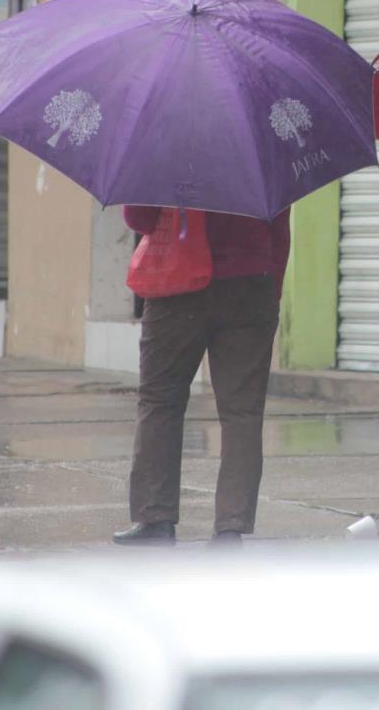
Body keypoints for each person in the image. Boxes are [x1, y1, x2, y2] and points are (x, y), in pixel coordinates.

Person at [112, 207, 290, 545]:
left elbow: (140, 219)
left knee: (160, 402)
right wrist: (270, 290)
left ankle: (155, 519)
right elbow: (279, 228)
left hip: (177, 286)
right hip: (250, 285)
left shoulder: (167, 152)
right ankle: (230, 527)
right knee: (242, 414)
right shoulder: (262, 154)